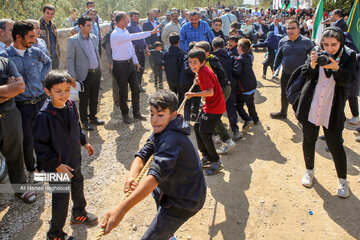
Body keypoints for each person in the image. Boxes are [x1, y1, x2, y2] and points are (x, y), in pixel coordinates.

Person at [101, 90, 206, 239]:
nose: (154, 120)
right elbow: (144, 152)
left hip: (183, 201)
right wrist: (132, 176)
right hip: (169, 190)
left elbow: (153, 178)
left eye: (160, 114)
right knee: (156, 193)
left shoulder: (171, 140)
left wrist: (121, 209)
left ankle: (167, 233)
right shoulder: (164, 128)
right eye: (151, 114)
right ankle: (169, 235)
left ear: (173, 115)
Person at [33, 70, 98, 240]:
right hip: (57, 169)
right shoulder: (44, 117)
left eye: (67, 90)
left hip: (73, 161)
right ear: (48, 92)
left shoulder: (70, 105)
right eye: (58, 91)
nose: (63, 94)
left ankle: (79, 213)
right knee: (61, 200)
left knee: (78, 187)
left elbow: (76, 126)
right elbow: (41, 148)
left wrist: (84, 142)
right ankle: (55, 234)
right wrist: (57, 165)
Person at [294, 27, 356, 198]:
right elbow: (306, 74)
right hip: (313, 104)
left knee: (335, 145)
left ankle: (343, 180)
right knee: (309, 139)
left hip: (332, 106)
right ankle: (309, 171)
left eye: (333, 45)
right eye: (326, 44)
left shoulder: (348, 55)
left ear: (341, 42)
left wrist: (337, 68)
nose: (329, 49)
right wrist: (313, 64)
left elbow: (349, 80)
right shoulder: (316, 51)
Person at [0, 20, 51, 179]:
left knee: (44, 135)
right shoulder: (4, 57)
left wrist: (42, 80)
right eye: (30, 37)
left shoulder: (35, 51)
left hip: (41, 100)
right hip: (23, 106)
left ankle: (44, 166)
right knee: (27, 141)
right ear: (18, 37)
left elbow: (48, 62)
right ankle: (32, 169)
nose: (34, 40)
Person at [110, 12, 159, 124]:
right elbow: (134, 37)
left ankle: (136, 113)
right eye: (126, 18)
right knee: (123, 91)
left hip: (129, 64)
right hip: (120, 66)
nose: (128, 20)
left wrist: (135, 62)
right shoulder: (116, 34)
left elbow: (130, 48)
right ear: (121, 21)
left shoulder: (124, 31)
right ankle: (125, 114)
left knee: (135, 89)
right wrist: (150, 33)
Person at [0, 56, 37, 203]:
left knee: (15, 153)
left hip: (10, 116)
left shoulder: (5, 61)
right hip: (8, 107)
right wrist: (8, 90)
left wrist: (13, 89)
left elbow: (20, 87)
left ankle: (20, 188)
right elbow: (13, 89)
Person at [185, 48, 226, 175]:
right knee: (197, 126)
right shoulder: (203, 70)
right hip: (210, 105)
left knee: (205, 132)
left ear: (202, 62)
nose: (191, 65)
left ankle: (216, 161)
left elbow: (210, 92)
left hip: (215, 106)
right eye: (190, 62)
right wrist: (198, 80)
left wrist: (193, 94)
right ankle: (206, 156)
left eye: (195, 62)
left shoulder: (203, 72)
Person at [194, 41, 236, 153]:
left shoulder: (208, 63)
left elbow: (211, 82)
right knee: (213, 115)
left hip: (221, 90)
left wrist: (196, 93)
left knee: (214, 115)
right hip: (223, 88)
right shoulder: (210, 59)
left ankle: (226, 140)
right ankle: (216, 135)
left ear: (206, 53)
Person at [67, 16, 104, 131]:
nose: (91, 27)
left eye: (91, 25)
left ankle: (93, 117)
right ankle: (84, 121)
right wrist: (72, 76)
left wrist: (100, 68)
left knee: (94, 97)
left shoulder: (93, 37)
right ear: (81, 26)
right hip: (84, 75)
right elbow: (70, 59)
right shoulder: (73, 40)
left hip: (95, 73)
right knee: (84, 99)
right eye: (88, 25)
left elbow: (96, 54)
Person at [271, 19, 313, 119]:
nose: (290, 31)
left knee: (301, 96)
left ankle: (301, 117)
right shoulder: (282, 41)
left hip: (301, 75)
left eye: (293, 28)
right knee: (284, 93)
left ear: (298, 29)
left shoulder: (307, 42)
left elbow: (313, 56)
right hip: (286, 73)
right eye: (288, 28)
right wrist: (275, 67)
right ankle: (283, 112)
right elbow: (279, 55)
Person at [212, 37, 241, 140]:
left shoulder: (211, 59)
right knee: (231, 107)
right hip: (230, 85)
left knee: (216, 109)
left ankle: (216, 132)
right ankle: (235, 129)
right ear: (224, 46)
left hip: (218, 88)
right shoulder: (230, 56)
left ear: (213, 47)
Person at [233, 38, 259, 132]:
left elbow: (237, 72)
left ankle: (247, 119)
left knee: (239, 106)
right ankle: (255, 119)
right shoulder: (248, 57)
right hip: (252, 86)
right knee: (250, 104)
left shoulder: (239, 59)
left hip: (245, 88)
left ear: (239, 48)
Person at [127, 10, 150, 92]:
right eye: (135, 16)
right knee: (137, 69)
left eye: (138, 16)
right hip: (135, 52)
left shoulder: (139, 26)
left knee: (141, 69)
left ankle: (138, 85)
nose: (137, 17)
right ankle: (136, 87)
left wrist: (146, 47)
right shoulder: (129, 27)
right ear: (130, 17)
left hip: (141, 51)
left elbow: (142, 37)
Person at [163, 33, 185, 98]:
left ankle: (173, 108)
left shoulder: (165, 53)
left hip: (170, 79)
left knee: (172, 97)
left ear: (169, 42)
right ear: (179, 41)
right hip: (179, 80)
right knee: (180, 97)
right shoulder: (181, 54)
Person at [39, 4, 60, 69]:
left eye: (52, 14)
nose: (50, 16)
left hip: (54, 56)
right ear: (43, 13)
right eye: (48, 13)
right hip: (44, 57)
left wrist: (58, 52)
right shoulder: (38, 25)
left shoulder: (53, 25)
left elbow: (56, 39)